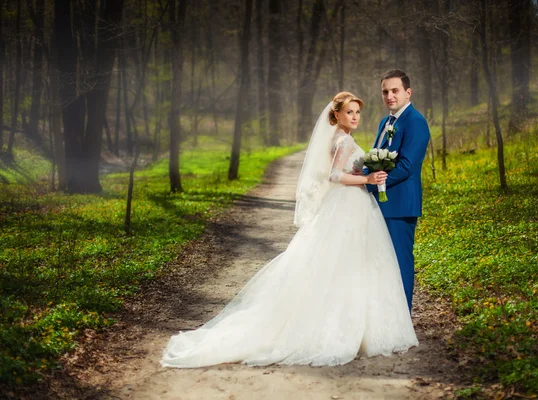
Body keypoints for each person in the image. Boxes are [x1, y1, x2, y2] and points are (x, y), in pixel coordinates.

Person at [161, 92, 418, 369]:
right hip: (347, 203)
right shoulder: (342, 140)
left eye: (357, 112)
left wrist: (369, 175)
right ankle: (343, 328)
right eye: (349, 113)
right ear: (337, 116)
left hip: (352, 203)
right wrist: (366, 178)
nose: (355, 117)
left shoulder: (344, 138)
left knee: (353, 263)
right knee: (345, 263)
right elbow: (333, 176)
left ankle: (360, 326)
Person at [366, 70, 431, 312]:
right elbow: (375, 157)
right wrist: (356, 177)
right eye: (385, 91)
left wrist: (370, 183)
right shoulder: (386, 122)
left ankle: (402, 315)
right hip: (380, 203)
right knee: (381, 261)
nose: (390, 96)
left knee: (400, 261)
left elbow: (406, 167)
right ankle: (385, 313)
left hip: (401, 205)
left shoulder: (416, 122)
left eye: (395, 90)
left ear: (408, 92)